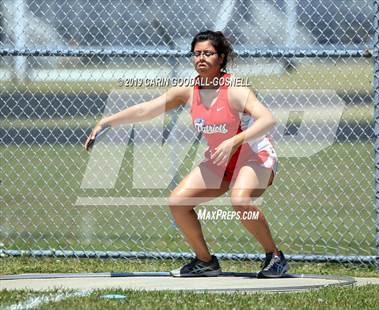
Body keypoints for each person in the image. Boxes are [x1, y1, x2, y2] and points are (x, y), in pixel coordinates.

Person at [85, 30, 288, 278]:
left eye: (208, 53)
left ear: (221, 58)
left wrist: (235, 140)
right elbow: (147, 110)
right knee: (178, 202)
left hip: (253, 156)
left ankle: (275, 257)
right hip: (220, 159)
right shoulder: (188, 90)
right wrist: (106, 121)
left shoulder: (236, 89)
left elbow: (268, 119)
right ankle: (205, 262)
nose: (201, 58)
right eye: (197, 53)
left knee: (240, 200)